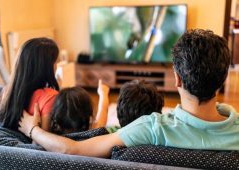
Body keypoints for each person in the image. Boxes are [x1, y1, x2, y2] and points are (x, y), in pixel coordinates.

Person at [19, 29, 238, 158]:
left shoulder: (151, 128)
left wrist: (33, 129)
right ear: (222, 78)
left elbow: (73, 150)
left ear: (178, 79)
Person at [0, 37, 60, 131]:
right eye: (55, 61)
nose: (56, 66)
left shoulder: (8, 92)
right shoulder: (50, 97)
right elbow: (44, 141)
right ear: (46, 66)